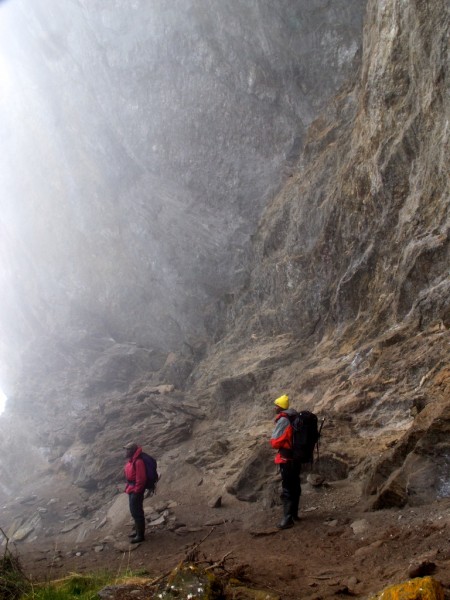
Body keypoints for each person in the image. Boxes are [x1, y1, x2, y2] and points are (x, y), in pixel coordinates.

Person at [270, 394, 301, 529]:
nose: (274, 408)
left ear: (280, 407)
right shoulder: (295, 416)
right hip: (297, 457)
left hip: (286, 458)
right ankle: (294, 514)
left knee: (288, 487)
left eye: (276, 406)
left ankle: (287, 519)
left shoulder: (284, 420)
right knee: (295, 484)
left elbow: (275, 442)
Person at [123, 442, 146, 543]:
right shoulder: (132, 461)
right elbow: (130, 477)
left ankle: (140, 536)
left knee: (137, 512)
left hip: (136, 491)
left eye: (127, 449)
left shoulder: (138, 462)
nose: (126, 451)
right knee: (134, 511)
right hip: (131, 490)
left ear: (132, 451)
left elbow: (141, 479)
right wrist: (128, 487)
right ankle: (137, 531)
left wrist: (136, 491)